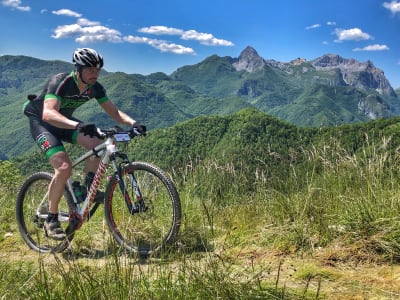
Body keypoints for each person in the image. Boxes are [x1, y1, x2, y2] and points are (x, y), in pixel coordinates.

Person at [23, 48, 146, 240]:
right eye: (89, 70)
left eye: (97, 70)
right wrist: (79, 125)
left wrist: (134, 123)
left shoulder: (95, 87)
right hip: (42, 122)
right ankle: (51, 219)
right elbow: (48, 114)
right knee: (64, 167)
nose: (94, 74)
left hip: (64, 122)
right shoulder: (61, 82)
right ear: (78, 69)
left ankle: (88, 188)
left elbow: (114, 112)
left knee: (98, 144)